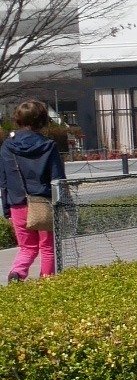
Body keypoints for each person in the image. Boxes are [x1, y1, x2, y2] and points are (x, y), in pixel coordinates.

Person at [2, 100, 66, 282]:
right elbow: (57, 180)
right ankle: (46, 284)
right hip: (43, 204)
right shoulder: (49, 145)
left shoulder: (7, 146)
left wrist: (7, 208)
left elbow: (4, 180)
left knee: (27, 247)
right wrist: (64, 205)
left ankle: (17, 273)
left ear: (18, 119)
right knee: (47, 248)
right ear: (42, 120)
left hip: (17, 204)